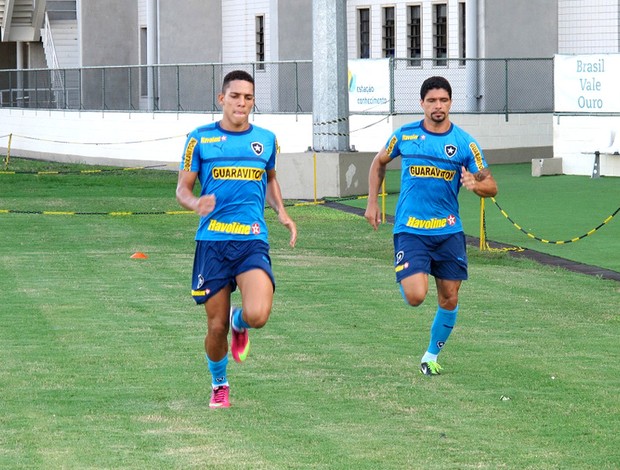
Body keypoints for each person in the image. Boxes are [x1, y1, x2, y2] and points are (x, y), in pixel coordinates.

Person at [176, 70, 297, 408]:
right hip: (213, 243)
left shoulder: (267, 139)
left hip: (251, 240)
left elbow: (270, 180)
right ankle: (219, 383)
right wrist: (196, 202)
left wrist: (282, 213)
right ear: (221, 99)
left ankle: (239, 321)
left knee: (258, 314)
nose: (241, 103)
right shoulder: (199, 139)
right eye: (235, 96)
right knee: (215, 329)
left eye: (248, 97)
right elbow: (182, 189)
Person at [364, 76, 498, 377]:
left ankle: (431, 355)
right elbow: (378, 162)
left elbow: (491, 184)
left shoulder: (465, 143)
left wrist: (475, 184)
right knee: (415, 296)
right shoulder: (405, 135)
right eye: (432, 101)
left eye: (444, 100)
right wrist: (372, 202)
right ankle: (408, 268)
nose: (438, 106)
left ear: (451, 103)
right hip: (411, 228)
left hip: (448, 231)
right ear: (422, 103)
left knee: (449, 297)